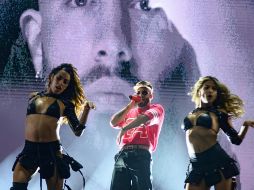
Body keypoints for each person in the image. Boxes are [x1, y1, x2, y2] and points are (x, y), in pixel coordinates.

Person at [10, 63, 95, 190]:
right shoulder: (33, 97)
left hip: (51, 152)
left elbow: (78, 131)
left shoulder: (65, 104)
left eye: (65, 82)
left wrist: (86, 110)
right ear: (51, 77)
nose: (61, 83)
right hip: (29, 150)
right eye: (59, 78)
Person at [182, 76, 254, 190]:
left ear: (216, 94)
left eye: (214, 89)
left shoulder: (219, 114)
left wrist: (245, 125)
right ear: (199, 91)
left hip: (218, 163)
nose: (210, 90)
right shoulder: (191, 112)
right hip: (196, 165)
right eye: (206, 87)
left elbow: (236, 140)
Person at [110, 80, 165, 190]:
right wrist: (130, 106)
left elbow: (144, 118)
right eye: (138, 93)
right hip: (123, 154)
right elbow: (113, 122)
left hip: (141, 154)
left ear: (151, 95)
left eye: (144, 93)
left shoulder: (156, 109)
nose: (140, 95)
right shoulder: (129, 112)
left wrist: (124, 128)